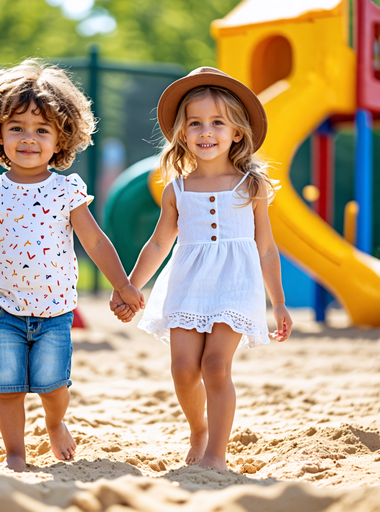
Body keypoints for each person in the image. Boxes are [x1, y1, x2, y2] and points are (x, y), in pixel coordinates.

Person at [0, 59, 143, 472]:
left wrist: (122, 285)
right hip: (4, 308)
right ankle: (15, 454)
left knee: (53, 386)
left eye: (41, 129)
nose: (28, 138)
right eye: (17, 128)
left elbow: (95, 241)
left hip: (55, 310)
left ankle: (55, 422)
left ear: (61, 137)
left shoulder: (67, 190)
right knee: (8, 389)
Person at [110, 67, 292, 470]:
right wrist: (130, 286)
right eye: (195, 123)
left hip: (235, 285)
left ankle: (216, 455)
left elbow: (265, 247)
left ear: (237, 133)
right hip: (187, 283)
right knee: (182, 369)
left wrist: (277, 302)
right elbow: (159, 243)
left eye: (217, 122)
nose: (205, 131)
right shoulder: (176, 188)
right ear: (182, 133)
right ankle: (198, 428)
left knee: (214, 366)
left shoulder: (251, 186)